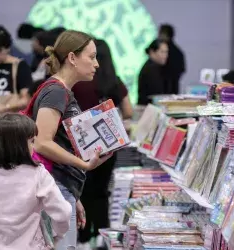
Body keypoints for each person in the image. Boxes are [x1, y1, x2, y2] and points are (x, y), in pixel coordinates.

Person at [30, 30, 111, 250]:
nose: (96, 64)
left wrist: (72, 194)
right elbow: (42, 142)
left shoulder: (62, 91)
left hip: (59, 188)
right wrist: (83, 164)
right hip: (54, 188)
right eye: (91, 57)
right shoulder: (57, 91)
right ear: (72, 58)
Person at [73, 39, 133, 250]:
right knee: (101, 192)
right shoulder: (113, 81)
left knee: (82, 192)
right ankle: (102, 237)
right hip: (109, 146)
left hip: (82, 146)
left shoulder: (79, 82)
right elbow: (128, 112)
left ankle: (82, 238)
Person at [0, 113, 72, 250]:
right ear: (19, 145)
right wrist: (58, 235)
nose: (33, 147)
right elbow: (63, 212)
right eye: (32, 141)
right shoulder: (37, 174)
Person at [0, 25, 32, 112]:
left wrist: (5, 107)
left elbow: (26, 100)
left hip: (8, 118)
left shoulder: (19, 65)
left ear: (8, 48)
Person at [138, 39, 168, 105]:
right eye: (162, 52)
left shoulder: (151, 67)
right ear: (152, 52)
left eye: (166, 52)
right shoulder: (151, 69)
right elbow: (157, 95)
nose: (165, 56)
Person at [158, 24, 186, 94]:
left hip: (161, 92)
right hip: (174, 91)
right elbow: (182, 69)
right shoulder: (178, 52)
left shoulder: (159, 51)